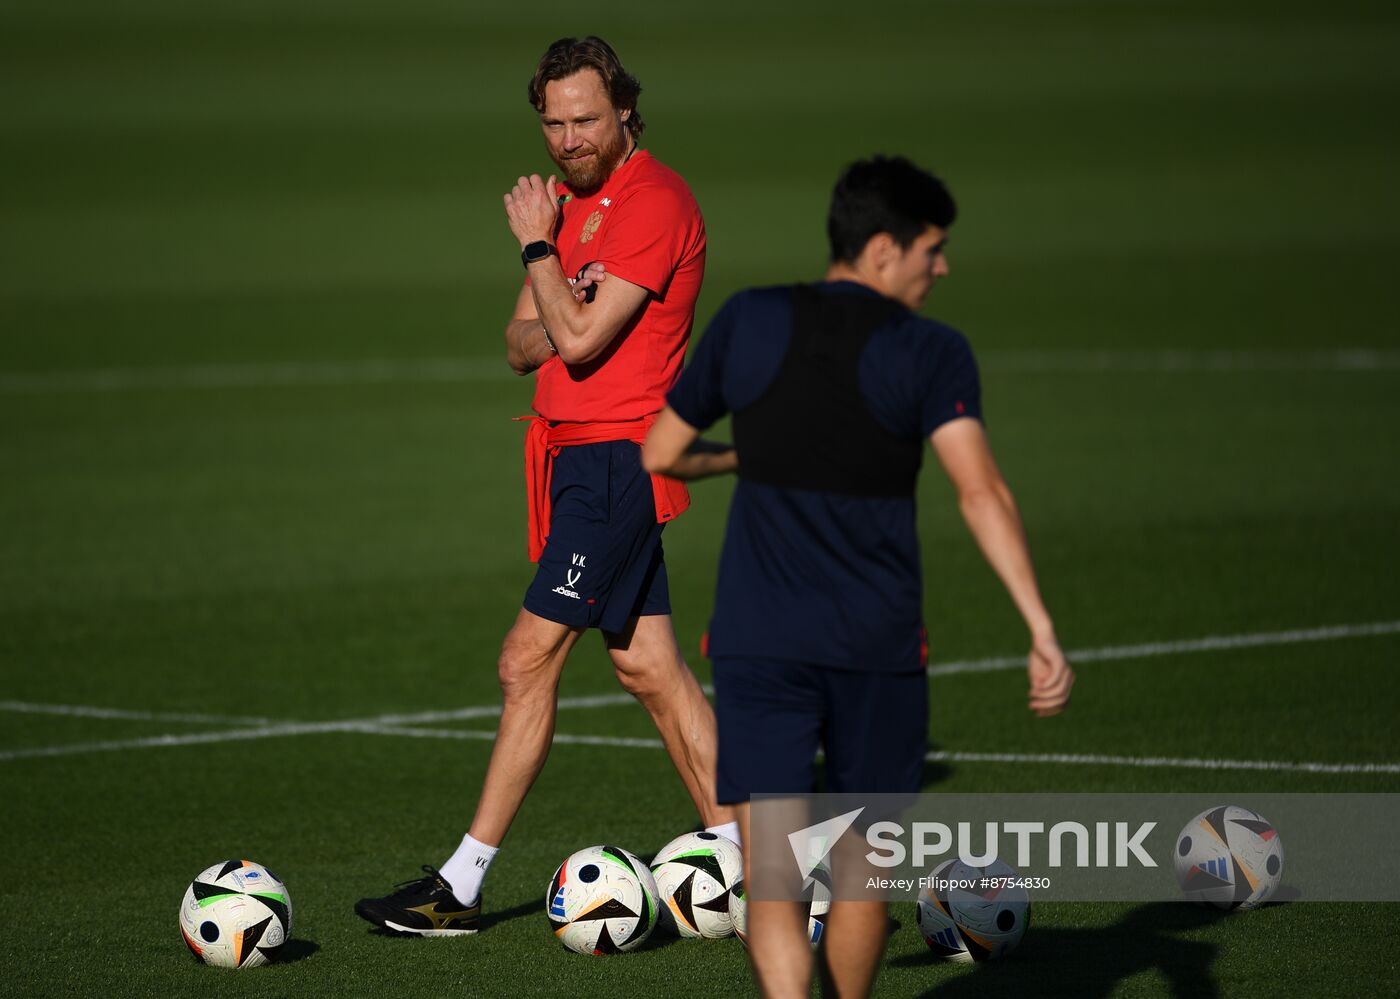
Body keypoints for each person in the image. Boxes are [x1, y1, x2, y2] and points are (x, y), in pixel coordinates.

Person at [641, 156, 1076, 996]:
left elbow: (661, 451)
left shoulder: (751, 318)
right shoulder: (933, 351)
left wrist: (749, 452)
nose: (941, 267)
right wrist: (1039, 625)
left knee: (772, 864)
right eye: (933, 249)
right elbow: (980, 490)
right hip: (874, 641)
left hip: (758, 634)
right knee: (859, 865)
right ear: (884, 249)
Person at [355, 35, 735, 937]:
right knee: (651, 668)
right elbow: (520, 341)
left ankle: (461, 883)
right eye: (554, 123)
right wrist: (558, 280)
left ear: (626, 111)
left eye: (586, 120)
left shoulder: (652, 201)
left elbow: (573, 341)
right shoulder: (567, 204)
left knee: (524, 658)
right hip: (574, 462)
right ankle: (766, 860)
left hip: (617, 461)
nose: (567, 141)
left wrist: (541, 255)